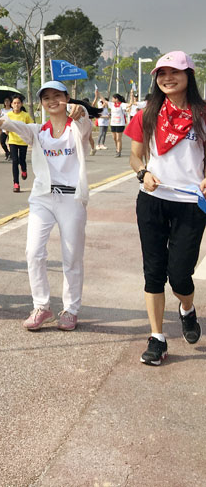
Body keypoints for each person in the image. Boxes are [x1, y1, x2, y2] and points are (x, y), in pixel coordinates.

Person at [0, 81, 91, 331]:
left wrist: (81, 112)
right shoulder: (38, 131)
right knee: (33, 252)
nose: (52, 101)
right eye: (46, 98)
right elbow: (14, 125)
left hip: (71, 199)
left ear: (67, 97)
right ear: (41, 103)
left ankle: (71, 309)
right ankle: (41, 306)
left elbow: (84, 123)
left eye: (57, 96)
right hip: (43, 198)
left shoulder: (77, 127)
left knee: (71, 257)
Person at [125, 51, 206, 366]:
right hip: (153, 202)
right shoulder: (148, 113)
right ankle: (157, 337)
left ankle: (186, 308)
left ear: (188, 76)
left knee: (181, 276)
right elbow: (135, 156)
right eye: (162, 73)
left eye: (175, 72)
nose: (167, 78)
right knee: (154, 273)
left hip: (190, 205)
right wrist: (142, 173)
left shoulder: (202, 114)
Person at [6, 97, 33, 192]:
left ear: (21, 104)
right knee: (15, 161)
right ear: (11, 104)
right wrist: (6, 131)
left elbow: (31, 127)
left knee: (22, 160)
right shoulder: (8, 115)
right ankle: (16, 183)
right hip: (12, 141)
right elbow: (4, 126)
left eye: (18, 103)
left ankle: (24, 170)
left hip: (23, 141)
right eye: (14, 103)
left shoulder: (25, 116)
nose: (16, 105)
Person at [109, 93, 129, 157]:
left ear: (116, 99)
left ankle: (118, 151)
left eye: (113, 98)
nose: (112, 99)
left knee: (118, 138)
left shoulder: (122, 105)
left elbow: (129, 104)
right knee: (114, 138)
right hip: (113, 123)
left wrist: (131, 95)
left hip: (120, 124)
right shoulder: (112, 105)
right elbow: (104, 101)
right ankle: (117, 148)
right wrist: (98, 94)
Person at [0, 95, 12, 160]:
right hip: (3, 128)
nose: (7, 102)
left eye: (8, 101)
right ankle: (7, 152)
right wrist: (0, 128)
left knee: (10, 143)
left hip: (11, 128)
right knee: (2, 142)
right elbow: (0, 119)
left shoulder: (12, 110)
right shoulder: (2, 110)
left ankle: (12, 155)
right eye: (5, 101)